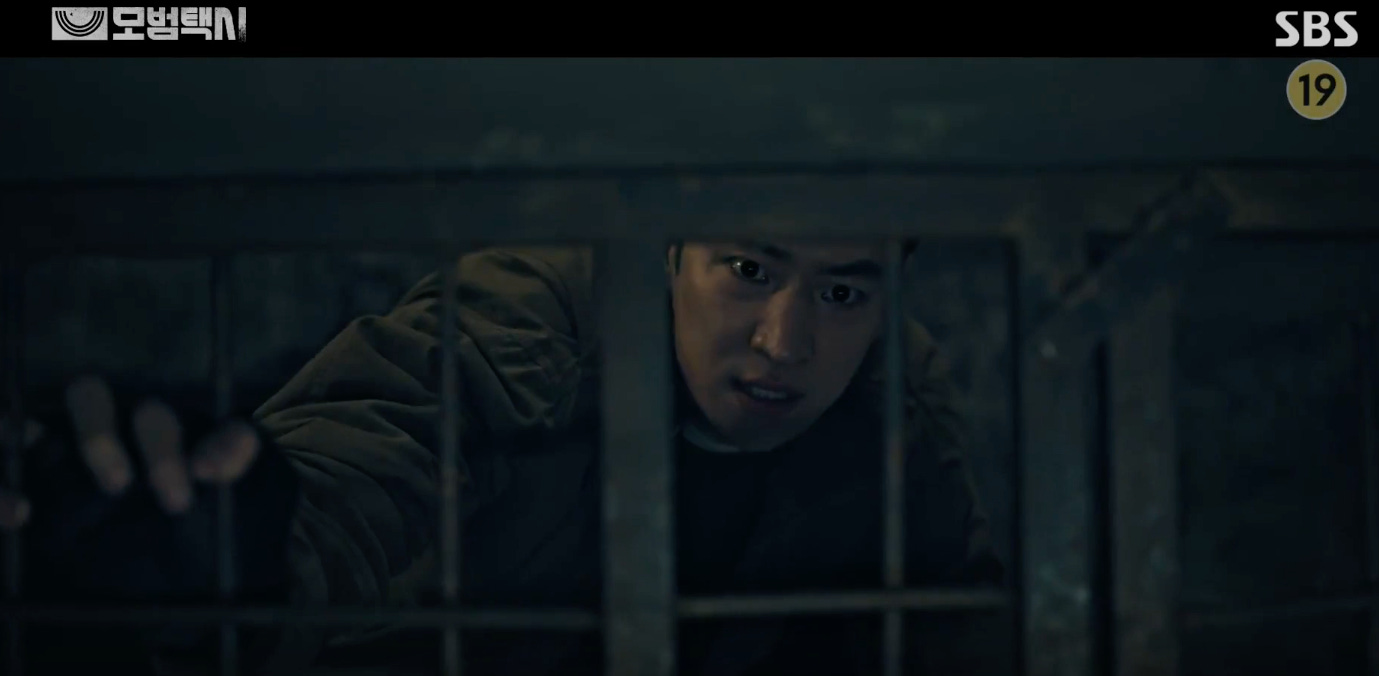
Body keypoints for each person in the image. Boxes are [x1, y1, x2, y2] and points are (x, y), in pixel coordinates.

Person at [0, 241, 1003, 676]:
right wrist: (251, 547)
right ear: (666, 250)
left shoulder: (894, 391)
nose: (784, 343)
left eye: (842, 293)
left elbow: (949, 632)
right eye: (747, 269)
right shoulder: (526, 318)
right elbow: (372, 449)